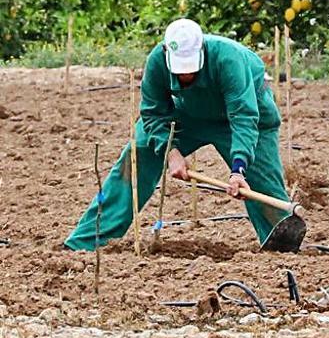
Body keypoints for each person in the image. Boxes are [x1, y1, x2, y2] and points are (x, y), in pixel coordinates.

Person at [65, 18, 298, 252]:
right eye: (180, 69)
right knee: (138, 153)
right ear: (167, 53)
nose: (186, 75)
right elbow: (153, 113)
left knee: (261, 183)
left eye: (191, 68)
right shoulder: (157, 61)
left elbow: (244, 116)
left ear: (202, 52)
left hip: (243, 116)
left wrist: (238, 170)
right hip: (188, 114)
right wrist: (171, 152)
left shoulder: (229, 59)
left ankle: (280, 247)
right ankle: (87, 242)